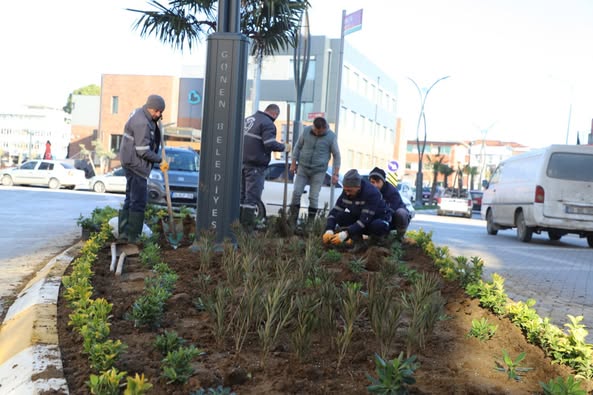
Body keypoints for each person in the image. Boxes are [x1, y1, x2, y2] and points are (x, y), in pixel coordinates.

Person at [118, 94, 167, 243]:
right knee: (138, 201)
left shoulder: (144, 116)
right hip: (135, 164)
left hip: (130, 161)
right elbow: (142, 150)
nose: (158, 114)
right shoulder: (142, 122)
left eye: (161, 112)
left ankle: (124, 234)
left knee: (130, 198)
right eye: (157, 111)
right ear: (149, 107)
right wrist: (160, 160)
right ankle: (133, 237)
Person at [240, 103, 291, 230]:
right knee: (252, 198)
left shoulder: (249, 120)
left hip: (241, 164)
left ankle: (237, 226)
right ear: (275, 114)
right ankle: (247, 229)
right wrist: (284, 147)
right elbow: (269, 144)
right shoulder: (268, 124)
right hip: (255, 166)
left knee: (241, 196)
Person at [322, 169, 391, 252]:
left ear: (358, 187)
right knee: (340, 216)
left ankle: (377, 243)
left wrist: (346, 234)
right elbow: (335, 211)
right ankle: (358, 243)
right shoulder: (346, 192)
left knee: (377, 225)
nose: (347, 193)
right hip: (361, 219)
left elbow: (365, 220)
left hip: (377, 220)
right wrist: (329, 229)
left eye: (349, 190)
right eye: (345, 190)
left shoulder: (372, 193)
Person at [289, 117, 340, 225]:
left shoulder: (331, 137)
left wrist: (335, 174)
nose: (317, 133)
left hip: (319, 171)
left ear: (325, 128)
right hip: (303, 168)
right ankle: (292, 222)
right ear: (313, 126)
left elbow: (337, 156)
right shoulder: (306, 131)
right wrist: (293, 164)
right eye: (316, 131)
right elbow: (297, 147)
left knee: (313, 196)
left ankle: (310, 225)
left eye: (320, 132)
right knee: (296, 192)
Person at [368, 166, 410, 240]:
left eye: (378, 182)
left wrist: (384, 224)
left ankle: (400, 237)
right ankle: (375, 238)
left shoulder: (391, 192)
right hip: (378, 217)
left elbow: (391, 210)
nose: (375, 185)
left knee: (401, 213)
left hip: (393, 217)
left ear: (383, 182)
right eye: (372, 182)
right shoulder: (368, 191)